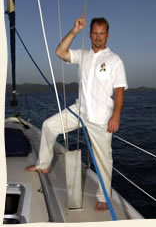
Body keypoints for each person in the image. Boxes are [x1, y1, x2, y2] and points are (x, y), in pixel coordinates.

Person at [25, 15, 128, 211]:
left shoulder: (115, 60)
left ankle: (104, 197)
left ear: (107, 35)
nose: (98, 37)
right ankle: (43, 164)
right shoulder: (84, 55)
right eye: (95, 33)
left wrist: (116, 116)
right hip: (80, 111)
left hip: (101, 119)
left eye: (102, 33)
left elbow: (120, 90)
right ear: (90, 34)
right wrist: (74, 31)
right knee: (48, 125)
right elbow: (60, 52)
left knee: (103, 160)